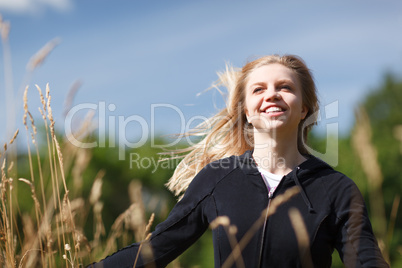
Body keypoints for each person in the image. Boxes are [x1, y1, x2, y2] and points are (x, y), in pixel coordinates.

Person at [89, 55, 389, 267]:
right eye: (259, 89)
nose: (272, 95)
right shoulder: (217, 180)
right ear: (246, 110)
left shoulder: (335, 189)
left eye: (285, 87)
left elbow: (365, 261)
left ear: (304, 109)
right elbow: (156, 250)